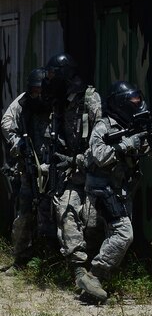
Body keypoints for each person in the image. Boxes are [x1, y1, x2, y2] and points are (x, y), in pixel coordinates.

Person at [77, 81, 152, 301]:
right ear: (121, 104)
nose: (137, 104)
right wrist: (128, 143)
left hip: (121, 189)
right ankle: (92, 277)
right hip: (102, 188)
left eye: (138, 100)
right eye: (133, 101)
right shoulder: (104, 126)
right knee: (123, 233)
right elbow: (99, 156)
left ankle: (88, 286)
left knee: (110, 235)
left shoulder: (135, 126)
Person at [41, 53, 102, 273]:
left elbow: (100, 144)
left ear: (63, 75)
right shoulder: (59, 101)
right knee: (66, 211)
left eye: (51, 74)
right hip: (71, 173)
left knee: (92, 221)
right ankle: (79, 270)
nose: (48, 79)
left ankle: (97, 270)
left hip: (94, 171)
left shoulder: (89, 99)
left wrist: (77, 160)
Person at [0, 68, 56, 274]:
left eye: (40, 90)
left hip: (55, 169)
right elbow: (6, 122)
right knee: (24, 215)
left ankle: (52, 261)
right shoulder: (23, 103)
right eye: (34, 90)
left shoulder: (57, 102)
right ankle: (21, 260)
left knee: (52, 215)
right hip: (30, 169)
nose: (37, 94)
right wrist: (18, 143)